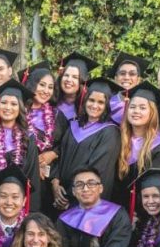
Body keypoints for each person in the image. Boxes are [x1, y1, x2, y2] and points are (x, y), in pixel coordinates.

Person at [52, 78, 122, 208]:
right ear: (85, 101)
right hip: (59, 196)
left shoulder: (110, 132)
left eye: (101, 102)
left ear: (106, 106)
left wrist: (68, 196)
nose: (94, 105)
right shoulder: (73, 125)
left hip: (84, 202)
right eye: (91, 100)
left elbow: (98, 170)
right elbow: (59, 154)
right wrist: (55, 183)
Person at [0, 79, 42, 213]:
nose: (8, 108)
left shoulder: (28, 138)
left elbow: (32, 176)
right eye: (4, 102)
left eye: (14, 104)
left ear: (20, 109)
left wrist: (29, 211)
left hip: (17, 206)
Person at [19, 61, 68, 216]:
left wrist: (52, 154)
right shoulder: (18, 111)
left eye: (50, 86)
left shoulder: (57, 115)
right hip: (24, 176)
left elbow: (65, 144)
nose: (46, 90)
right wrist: (34, 163)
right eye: (42, 85)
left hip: (49, 179)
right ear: (32, 84)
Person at [113, 81, 160, 208]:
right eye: (132, 107)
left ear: (152, 112)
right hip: (113, 203)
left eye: (142, 108)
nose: (136, 111)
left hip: (141, 208)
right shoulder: (118, 137)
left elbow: (154, 184)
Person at [106, 52, 149, 125]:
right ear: (116, 78)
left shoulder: (147, 106)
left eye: (132, 74)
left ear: (138, 80)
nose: (126, 77)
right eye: (122, 73)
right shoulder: (105, 103)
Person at [55, 52, 98, 122]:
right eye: (66, 75)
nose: (69, 80)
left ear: (82, 81)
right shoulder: (51, 100)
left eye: (75, 77)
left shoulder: (88, 106)